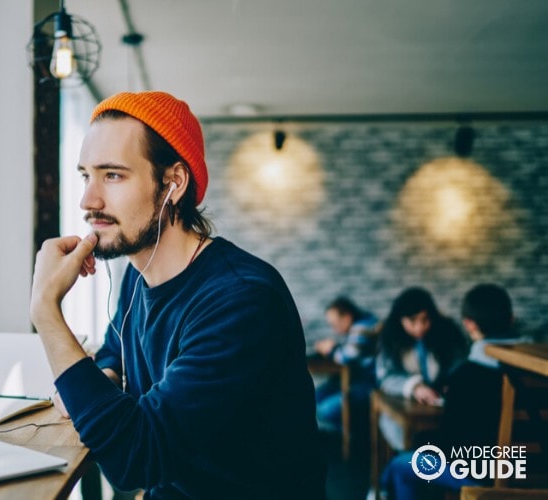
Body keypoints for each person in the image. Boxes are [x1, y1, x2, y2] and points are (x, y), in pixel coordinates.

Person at [29, 91, 326, 498]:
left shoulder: (241, 301)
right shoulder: (139, 275)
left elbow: (136, 460)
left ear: (174, 182)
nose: (88, 200)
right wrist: (108, 375)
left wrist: (46, 310)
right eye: (86, 175)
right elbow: (116, 347)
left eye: (112, 175)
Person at [381, 283, 518, 499]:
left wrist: (422, 441)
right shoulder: (538, 368)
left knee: (400, 465)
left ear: (469, 325)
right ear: (512, 318)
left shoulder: (467, 376)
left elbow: (452, 443)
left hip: (482, 473)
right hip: (531, 467)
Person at [375, 287, 468, 450]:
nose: (420, 327)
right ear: (400, 320)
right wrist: (414, 387)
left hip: (440, 402)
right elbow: (385, 377)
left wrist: (453, 382)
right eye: (413, 321)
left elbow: (460, 365)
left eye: (425, 319)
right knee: (395, 427)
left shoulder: (448, 332)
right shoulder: (389, 338)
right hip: (402, 402)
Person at [313, 296, 379, 432]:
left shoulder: (363, 327)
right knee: (315, 397)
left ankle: (352, 439)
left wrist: (329, 349)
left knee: (325, 410)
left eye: (335, 324)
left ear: (347, 317)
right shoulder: (359, 326)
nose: (335, 329)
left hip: (371, 384)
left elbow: (348, 356)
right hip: (357, 381)